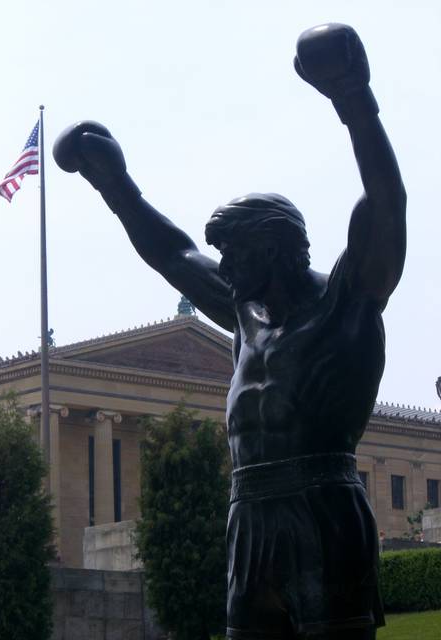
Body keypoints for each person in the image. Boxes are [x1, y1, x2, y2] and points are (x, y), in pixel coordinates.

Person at [54, 23, 406, 640]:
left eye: (234, 253)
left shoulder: (346, 306)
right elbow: (172, 253)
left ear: (272, 251)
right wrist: (113, 183)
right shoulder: (246, 313)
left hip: (323, 506)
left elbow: (384, 206)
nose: (224, 266)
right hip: (250, 515)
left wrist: (353, 99)